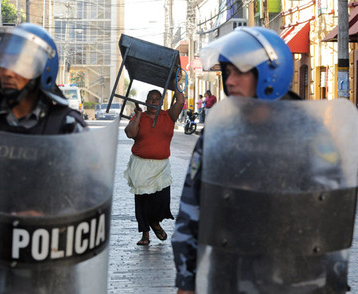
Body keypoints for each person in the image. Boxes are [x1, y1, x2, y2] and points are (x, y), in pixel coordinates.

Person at [172, 27, 307, 293]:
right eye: (227, 72)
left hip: (294, 279)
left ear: (270, 72)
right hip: (228, 277)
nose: (230, 81)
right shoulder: (219, 133)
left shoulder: (308, 134)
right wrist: (186, 281)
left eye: (240, 71)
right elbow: (192, 209)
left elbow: (329, 214)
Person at [0, 23, 87, 293]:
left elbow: (89, 196)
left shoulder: (68, 127)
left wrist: (47, 215)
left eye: (19, 64)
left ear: (43, 70)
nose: (6, 71)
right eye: (3, 63)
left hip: (51, 264)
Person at [124, 86, 185, 245]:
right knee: (142, 201)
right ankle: (145, 235)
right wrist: (137, 116)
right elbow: (130, 133)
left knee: (161, 199)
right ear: (145, 102)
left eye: (157, 99)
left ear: (161, 102)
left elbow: (180, 101)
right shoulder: (140, 116)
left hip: (161, 167)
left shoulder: (169, 115)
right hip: (141, 165)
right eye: (150, 99)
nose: (153, 102)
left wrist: (175, 80)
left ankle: (155, 223)